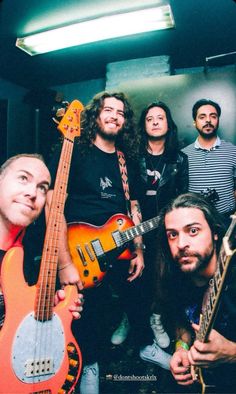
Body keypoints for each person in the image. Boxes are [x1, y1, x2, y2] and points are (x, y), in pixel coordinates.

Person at [48, 92, 145, 394]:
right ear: (96, 115)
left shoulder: (125, 159)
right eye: (108, 110)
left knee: (110, 309)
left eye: (120, 112)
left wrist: (138, 248)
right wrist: (64, 262)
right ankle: (78, 369)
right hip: (77, 250)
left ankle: (98, 360)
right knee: (76, 315)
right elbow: (53, 203)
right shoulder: (74, 149)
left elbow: (134, 207)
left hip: (116, 250)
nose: (114, 116)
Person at [153, 192, 236, 393]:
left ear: (215, 233)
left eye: (193, 231)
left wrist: (231, 353)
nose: (181, 244)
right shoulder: (175, 276)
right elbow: (181, 322)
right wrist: (181, 348)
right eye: (172, 234)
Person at [132, 101, 188, 368]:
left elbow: (183, 199)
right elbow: (129, 197)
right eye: (149, 118)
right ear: (144, 125)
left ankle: (155, 317)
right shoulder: (132, 157)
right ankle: (127, 317)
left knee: (163, 278)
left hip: (166, 231)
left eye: (160, 117)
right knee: (134, 279)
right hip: (136, 229)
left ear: (168, 124)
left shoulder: (179, 159)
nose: (155, 122)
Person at [0, 153, 83, 331]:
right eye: (23, 178)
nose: (32, 193)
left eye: (42, 188)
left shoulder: (32, 259)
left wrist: (49, 311)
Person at [182, 99, 236, 225]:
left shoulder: (233, 151)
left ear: (218, 120)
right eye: (202, 117)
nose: (208, 120)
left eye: (213, 116)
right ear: (195, 122)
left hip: (228, 221)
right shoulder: (183, 155)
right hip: (195, 222)